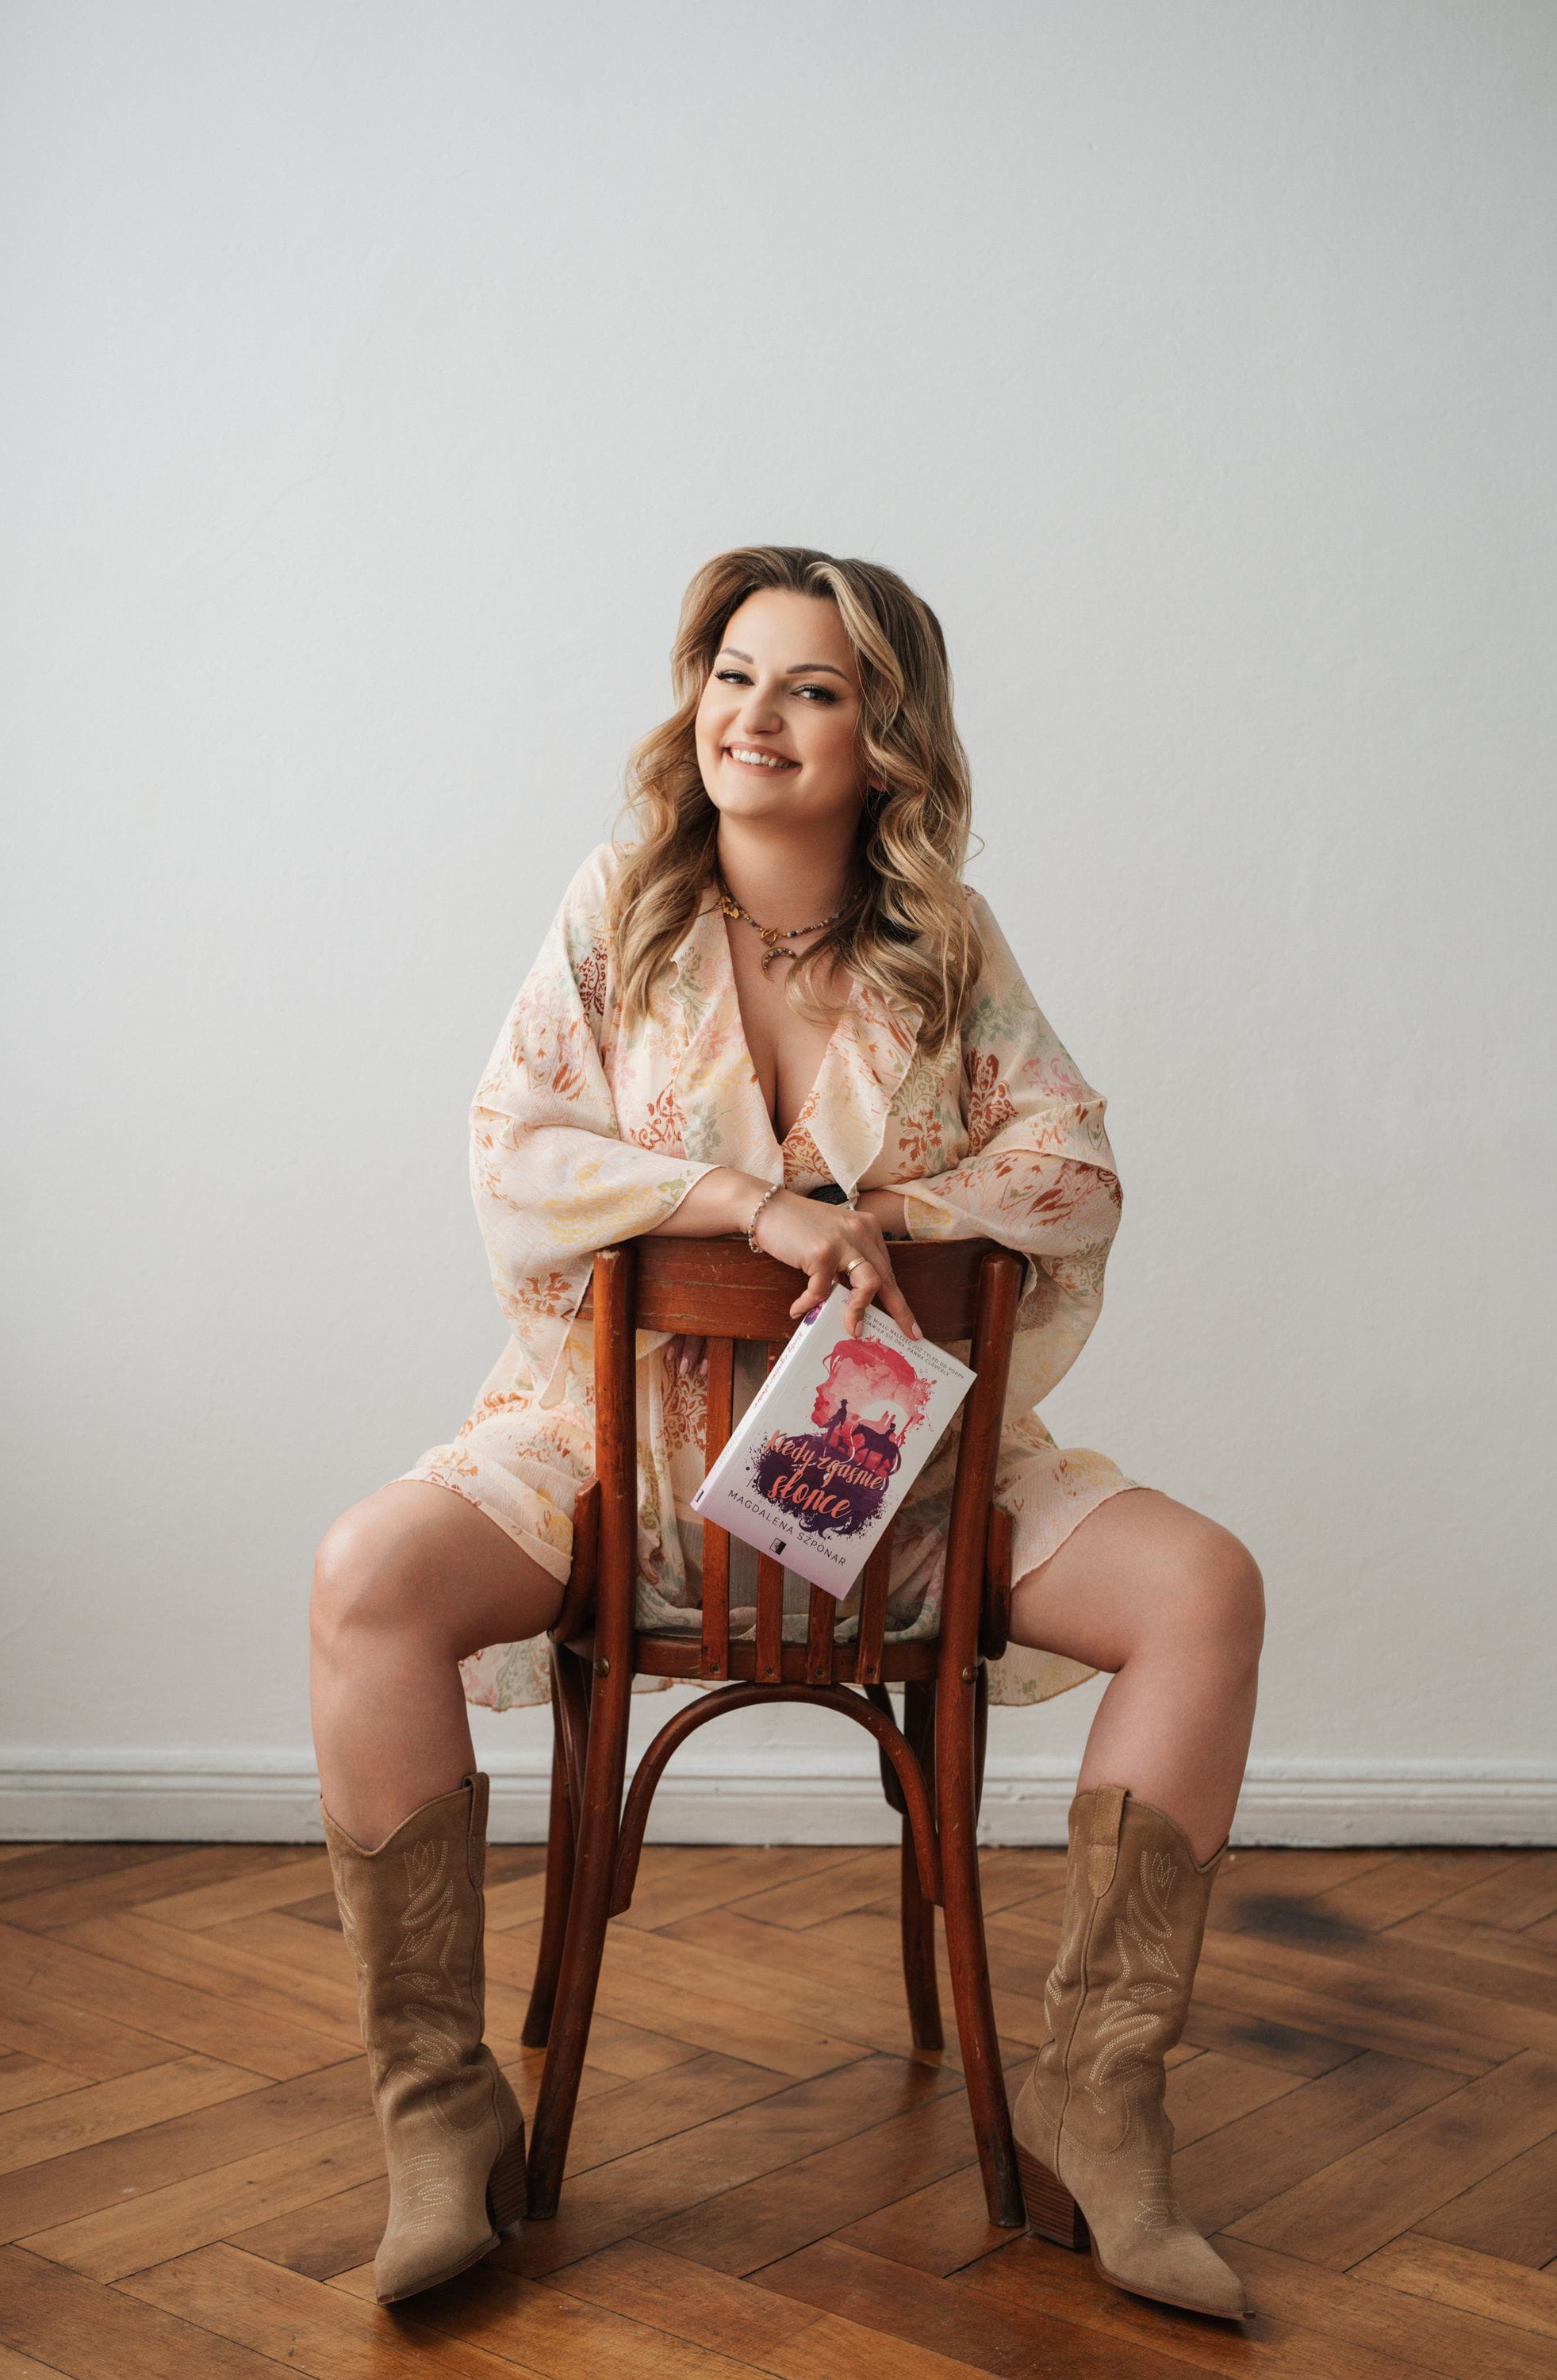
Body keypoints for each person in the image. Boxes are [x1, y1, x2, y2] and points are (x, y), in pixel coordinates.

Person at [310, 545, 1264, 2320]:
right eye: (735, 675)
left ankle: (1100, 2099)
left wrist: (886, 1217)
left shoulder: (948, 947)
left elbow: (1072, 1167)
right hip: (614, 1459)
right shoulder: (620, 912)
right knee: (366, 1572)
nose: (756, 717)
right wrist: (748, 1206)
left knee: (1204, 1588)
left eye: (812, 688)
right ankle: (439, 2114)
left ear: (884, 739)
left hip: (893, 1473)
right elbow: (515, 1149)